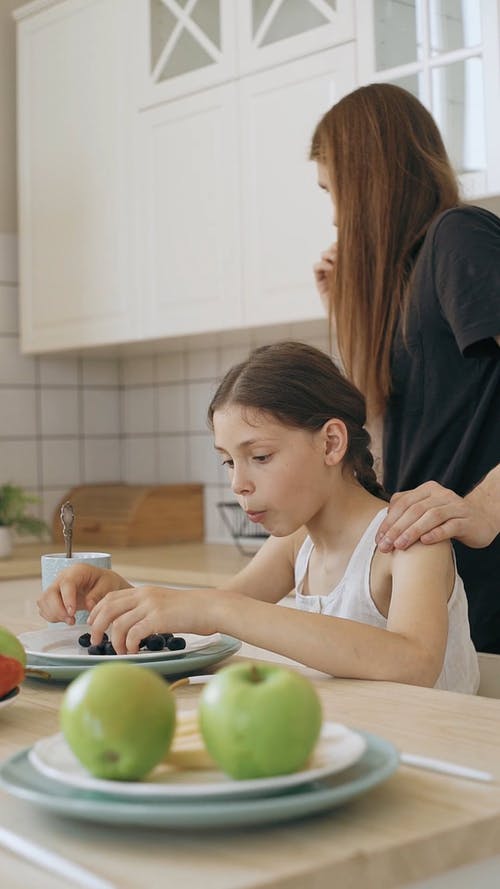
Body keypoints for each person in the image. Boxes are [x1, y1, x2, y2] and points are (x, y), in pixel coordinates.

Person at [38, 342, 479, 693]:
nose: (238, 484)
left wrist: (218, 606)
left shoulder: (411, 539)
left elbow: (415, 664)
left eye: (260, 456)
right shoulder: (297, 544)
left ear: (330, 444)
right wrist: (125, 598)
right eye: (229, 462)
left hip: (441, 760)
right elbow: (207, 618)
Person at [310, 83, 500, 653]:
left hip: (486, 568)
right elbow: (376, 423)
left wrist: (485, 506)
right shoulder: (413, 276)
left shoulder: (457, 237)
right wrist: (347, 313)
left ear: (368, 177)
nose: (337, 218)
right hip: (437, 575)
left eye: (333, 191)